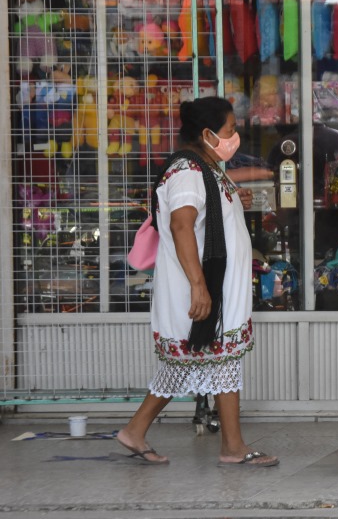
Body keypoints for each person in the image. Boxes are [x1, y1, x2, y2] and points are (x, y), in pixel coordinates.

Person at [112, 97, 278, 467]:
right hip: (200, 292)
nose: (234, 136)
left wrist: (233, 200)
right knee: (215, 362)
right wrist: (199, 285)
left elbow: (205, 213)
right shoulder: (188, 171)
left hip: (212, 291)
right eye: (230, 130)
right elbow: (181, 225)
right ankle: (231, 447)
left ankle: (137, 432)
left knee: (202, 365)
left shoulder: (205, 167)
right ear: (207, 133)